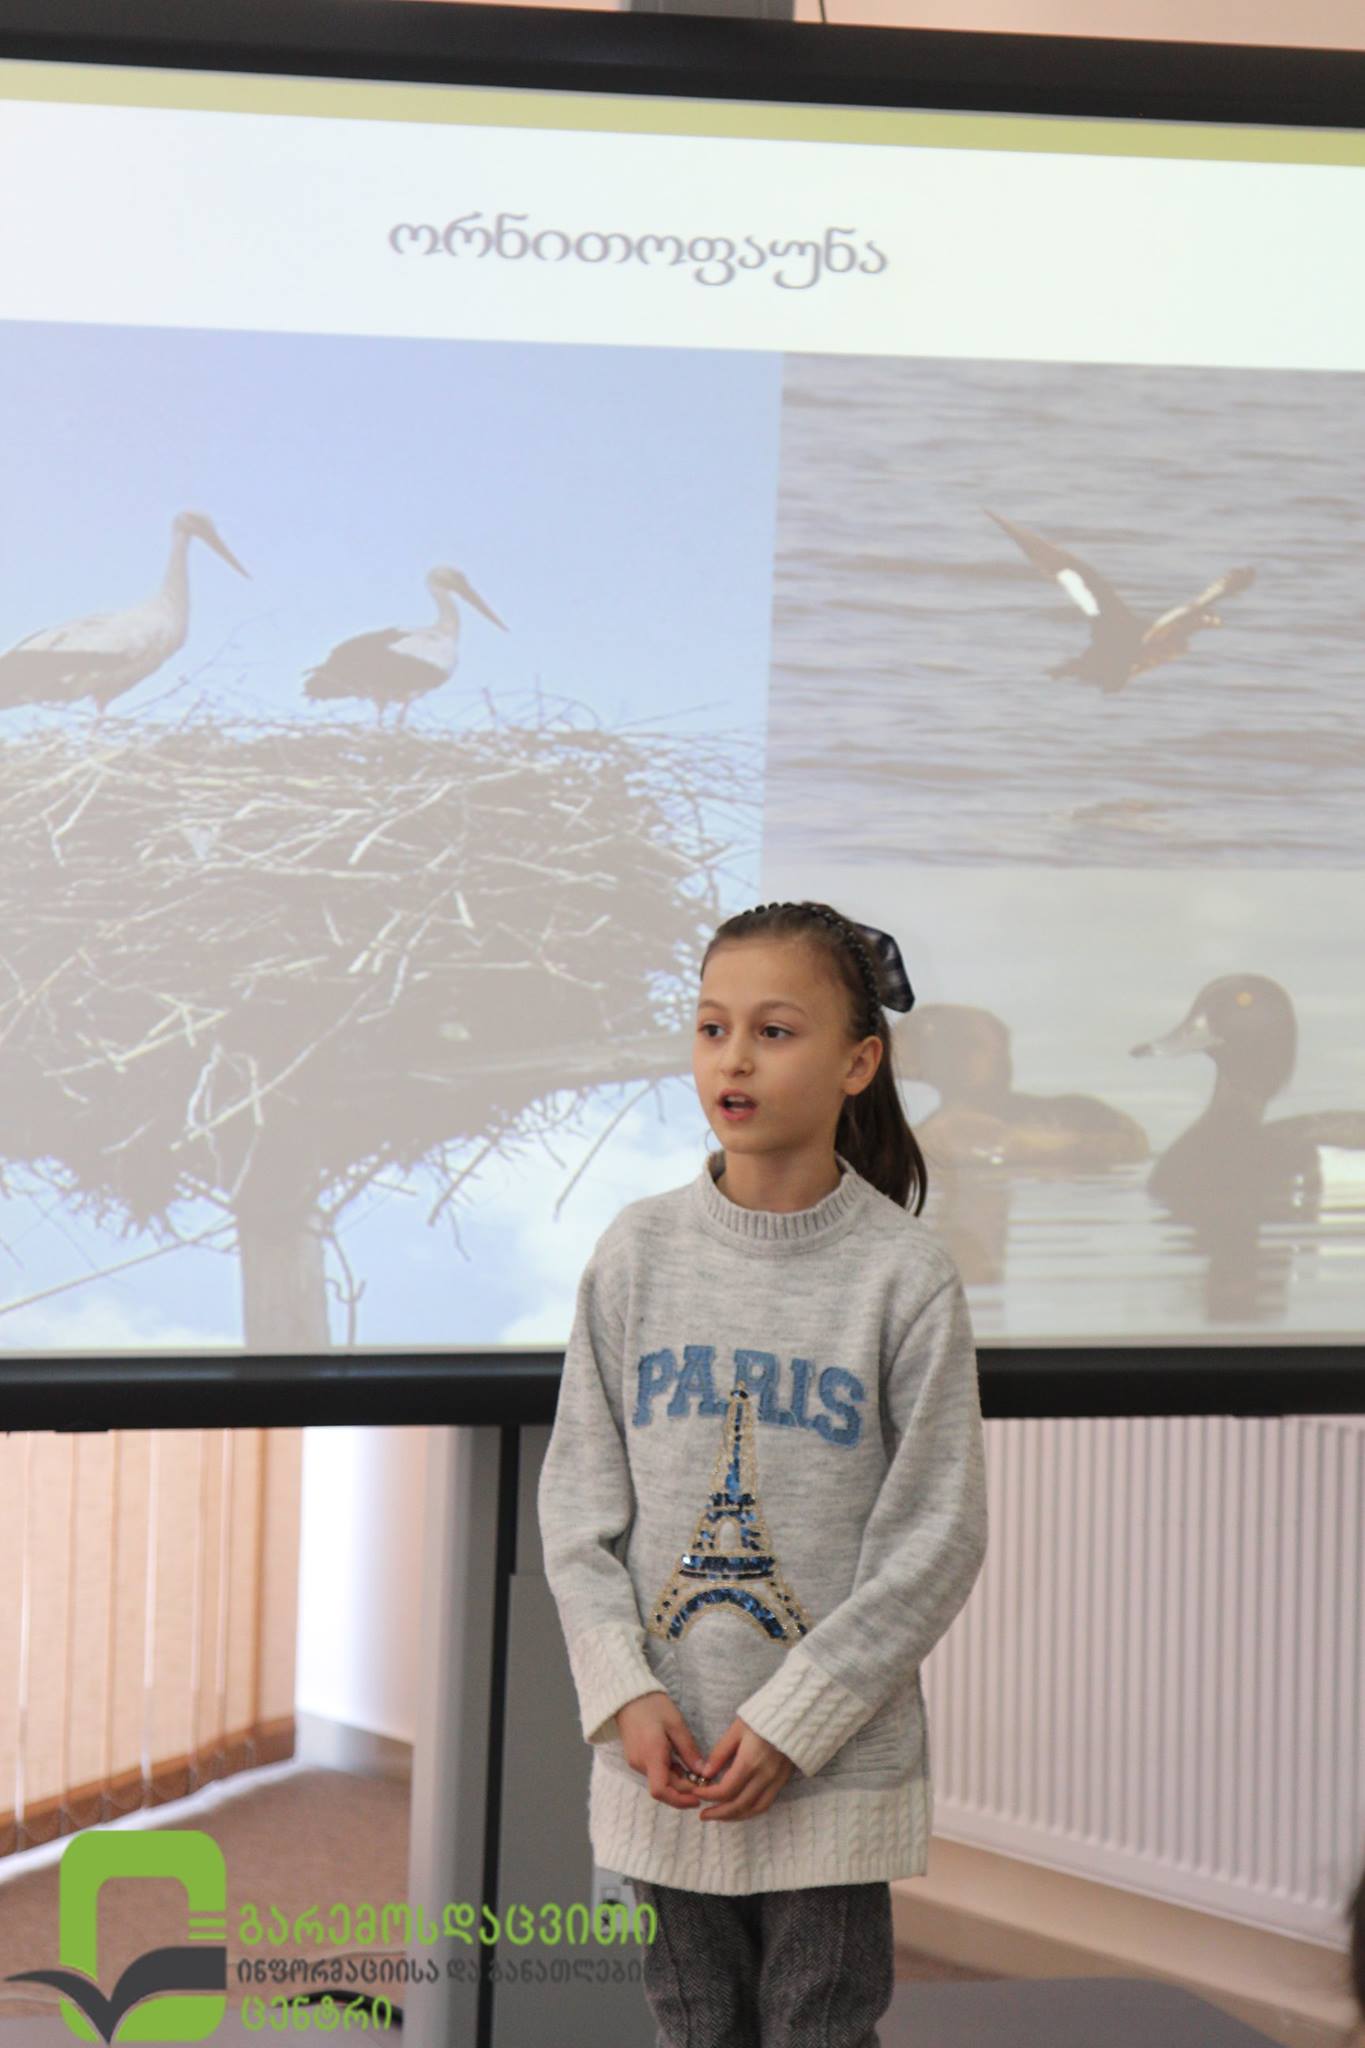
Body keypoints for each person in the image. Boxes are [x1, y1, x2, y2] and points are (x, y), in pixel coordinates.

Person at [537, 897, 990, 2048]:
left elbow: (936, 1535)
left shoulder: (904, 1274)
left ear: (858, 1061)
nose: (733, 1058)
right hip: (665, 1760)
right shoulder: (634, 1252)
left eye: (774, 1031)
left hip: (831, 1771)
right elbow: (578, 1510)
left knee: (817, 2028)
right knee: (693, 2026)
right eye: (712, 1027)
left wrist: (799, 1719)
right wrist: (624, 1692)